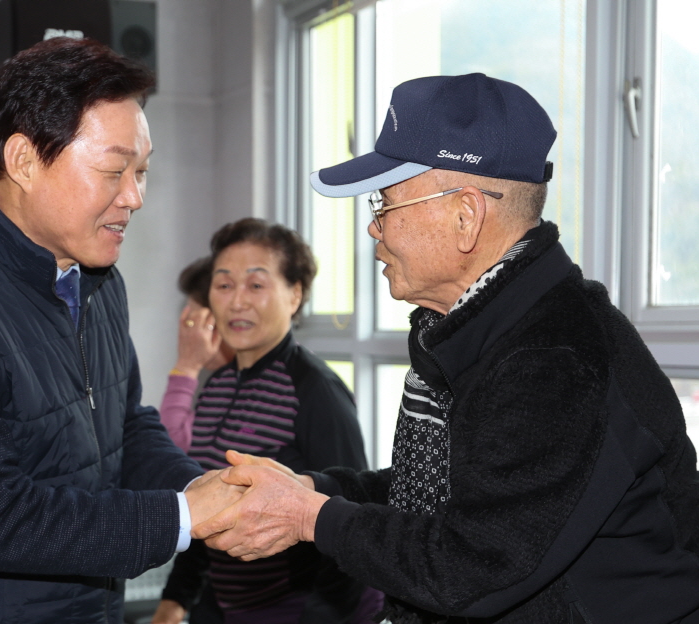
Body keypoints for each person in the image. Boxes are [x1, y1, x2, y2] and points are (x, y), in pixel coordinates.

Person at [192, 73, 699, 623]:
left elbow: (475, 565)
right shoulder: (474, 325)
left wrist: (311, 516)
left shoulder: (553, 355)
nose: (373, 229)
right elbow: (447, 492)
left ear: (466, 215)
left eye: (384, 204)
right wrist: (313, 487)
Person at [0, 38, 240, 624]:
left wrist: (204, 491)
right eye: (114, 171)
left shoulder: (94, 278)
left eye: (142, 172)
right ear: (24, 161)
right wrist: (183, 518)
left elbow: (123, 425)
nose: (134, 197)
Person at [154, 218, 381, 624]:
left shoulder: (316, 390)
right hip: (224, 606)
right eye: (224, 285)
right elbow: (204, 500)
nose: (237, 302)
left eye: (256, 285)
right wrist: (175, 599)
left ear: (295, 294)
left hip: (302, 611)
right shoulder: (218, 384)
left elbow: (351, 516)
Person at [159, 256, 233, 452]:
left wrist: (187, 366)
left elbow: (172, 448)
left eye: (196, 322)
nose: (191, 334)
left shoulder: (266, 385)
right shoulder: (222, 383)